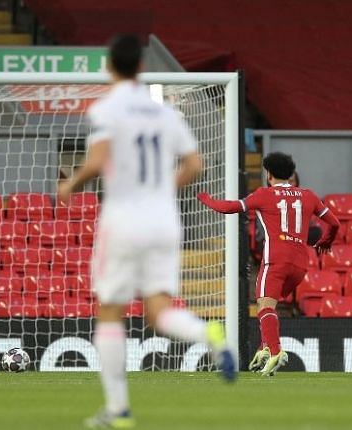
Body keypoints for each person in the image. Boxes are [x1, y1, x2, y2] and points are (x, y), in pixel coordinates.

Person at [57, 34, 235, 429]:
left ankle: (118, 410)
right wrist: (161, 189)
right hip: (164, 221)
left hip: (123, 218)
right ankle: (207, 332)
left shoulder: (108, 108)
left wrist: (72, 184)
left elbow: (99, 159)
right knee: (158, 312)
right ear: (141, 66)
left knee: (110, 311)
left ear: (109, 66)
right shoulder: (165, 113)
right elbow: (194, 164)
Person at [198, 152, 341, 376]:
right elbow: (334, 223)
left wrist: (205, 198)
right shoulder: (308, 195)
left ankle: (275, 351)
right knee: (269, 308)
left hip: (276, 261)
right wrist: (325, 241)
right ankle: (264, 348)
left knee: (264, 306)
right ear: (291, 174)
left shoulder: (265, 195)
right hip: (300, 265)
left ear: (268, 174)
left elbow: (228, 207)